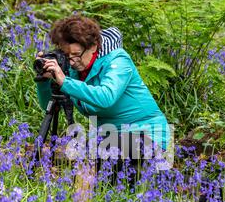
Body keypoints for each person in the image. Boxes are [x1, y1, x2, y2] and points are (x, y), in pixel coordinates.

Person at [35, 15, 171, 185]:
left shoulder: (118, 60)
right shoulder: (73, 67)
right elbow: (48, 105)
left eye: (76, 55)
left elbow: (106, 97)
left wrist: (65, 81)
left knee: (101, 151)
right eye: (67, 55)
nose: (72, 61)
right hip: (110, 138)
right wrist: (44, 80)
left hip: (149, 136)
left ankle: (159, 178)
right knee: (85, 153)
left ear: (93, 46)